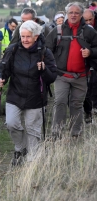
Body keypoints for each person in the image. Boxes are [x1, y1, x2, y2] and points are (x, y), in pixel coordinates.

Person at [0, 20, 57, 165]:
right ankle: (20, 148)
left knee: (33, 130)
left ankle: (32, 164)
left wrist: (43, 69)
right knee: (11, 123)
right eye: (22, 36)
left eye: (28, 37)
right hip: (15, 94)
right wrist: (1, 78)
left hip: (36, 97)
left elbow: (52, 77)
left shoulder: (44, 52)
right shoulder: (13, 50)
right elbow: (4, 68)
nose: (24, 40)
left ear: (36, 36)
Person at [45, 2, 97, 138]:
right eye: (71, 12)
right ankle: (57, 133)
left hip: (82, 76)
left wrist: (90, 52)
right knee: (60, 101)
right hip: (61, 75)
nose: (73, 15)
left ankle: (75, 133)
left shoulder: (89, 31)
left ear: (81, 15)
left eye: (77, 13)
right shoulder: (58, 30)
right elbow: (46, 50)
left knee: (77, 104)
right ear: (67, 14)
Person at [82, 9, 97, 122]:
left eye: (90, 20)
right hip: (86, 63)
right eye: (85, 20)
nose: (88, 22)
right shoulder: (81, 29)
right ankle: (88, 111)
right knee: (87, 88)